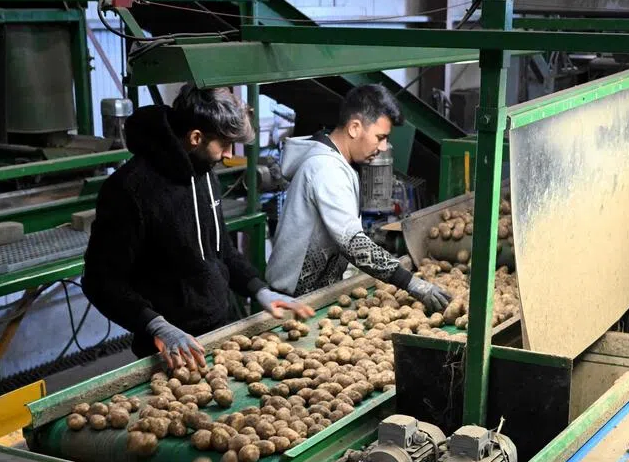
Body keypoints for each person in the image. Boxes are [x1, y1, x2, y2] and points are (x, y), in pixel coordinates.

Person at [83, 85, 311, 370]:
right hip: (170, 349)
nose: (229, 155)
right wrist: (156, 326)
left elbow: (221, 251)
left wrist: (260, 290)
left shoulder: (203, 174)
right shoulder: (129, 190)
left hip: (219, 333)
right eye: (224, 145)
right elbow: (101, 281)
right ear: (195, 137)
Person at [266, 84, 451, 314]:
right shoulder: (326, 168)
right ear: (354, 127)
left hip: (313, 296)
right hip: (290, 302)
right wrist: (411, 283)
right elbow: (354, 244)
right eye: (380, 137)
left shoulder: (338, 164)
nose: (383, 147)